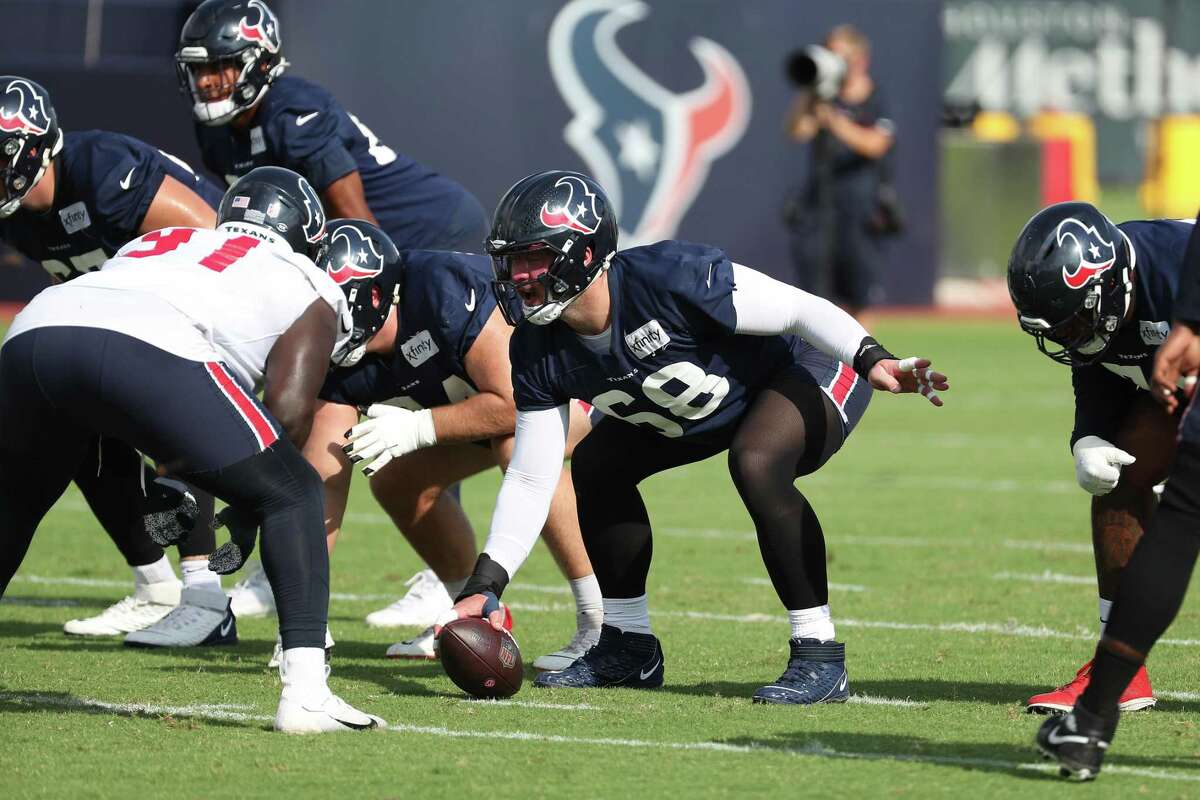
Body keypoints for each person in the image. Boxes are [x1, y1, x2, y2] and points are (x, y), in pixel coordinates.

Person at [439, 170, 947, 703]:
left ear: (584, 254)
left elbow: (799, 309)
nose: (518, 277)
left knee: (757, 461)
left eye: (532, 258)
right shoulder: (538, 348)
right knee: (596, 466)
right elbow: (530, 475)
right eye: (511, 261)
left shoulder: (670, 276)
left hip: (803, 366)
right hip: (702, 406)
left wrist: (871, 358)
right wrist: (486, 584)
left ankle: (818, 654)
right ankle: (628, 646)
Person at [0, 166, 384, 733]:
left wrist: (187, 477)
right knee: (296, 489)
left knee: (13, 508)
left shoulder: (164, 240)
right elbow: (289, 409)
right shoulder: (309, 278)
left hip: (36, 328)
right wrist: (256, 501)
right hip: (149, 345)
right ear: (310, 238)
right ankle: (306, 694)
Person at [173, 0, 491, 616]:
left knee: (419, 389)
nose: (210, 81)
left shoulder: (298, 111)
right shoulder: (217, 128)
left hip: (422, 238)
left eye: (224, 67)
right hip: (357, 254)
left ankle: (437, 578)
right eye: (201, 69)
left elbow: (358, 224)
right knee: (322, 398)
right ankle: (285, 566)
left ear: (261, 63)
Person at [290, 219, 601, 671]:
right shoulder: (338, 359)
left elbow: (518, 403)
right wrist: (304, 619)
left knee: (518, 444)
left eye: (327, 308)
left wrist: (418, 428)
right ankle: (467, 613)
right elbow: (325, 479)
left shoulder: (440, 290)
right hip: (483, 405)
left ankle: (599, 621)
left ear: (373, 296)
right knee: (396, 480)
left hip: (567, 390)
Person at [0, 74, 233, 647]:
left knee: (164, 424)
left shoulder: (103, 170)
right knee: (73, 425)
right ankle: (156, 586)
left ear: (34, 145)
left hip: (205, 308)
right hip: (121, 324)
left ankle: (206, 598)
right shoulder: (17, 212)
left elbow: (218, 241)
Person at [1006, 201, 1196, 714]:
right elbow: (1097, 366)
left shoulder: (1178, 266)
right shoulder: (1101, 310)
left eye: (1074, 324)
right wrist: (1087, 437)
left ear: (1110, 283)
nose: (1071, 339)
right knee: (1120, 472)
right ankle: (1122, 668)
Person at [787, 24, 896, 319]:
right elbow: (797, 130)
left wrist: (835, 122)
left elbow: (876, 144)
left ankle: (862, 362)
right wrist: (810, 90)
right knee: (815, 296)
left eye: (839, 56)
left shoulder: (875, 97)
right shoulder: (823, 97)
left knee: (859, 295)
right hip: (820, 208)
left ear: (860, 59)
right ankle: (821, 364)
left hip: (860, 209)